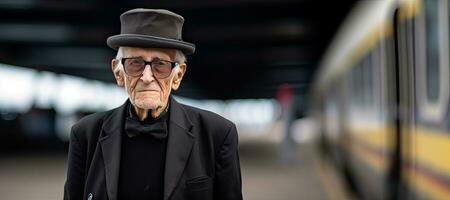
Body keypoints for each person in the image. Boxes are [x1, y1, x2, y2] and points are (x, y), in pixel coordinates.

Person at [64, 8, 243, 200]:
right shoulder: (85, 134)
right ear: (118, 73)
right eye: (135, 63)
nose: (147, 77)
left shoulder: (217, 135)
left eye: (160, 65)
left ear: (178, 76)